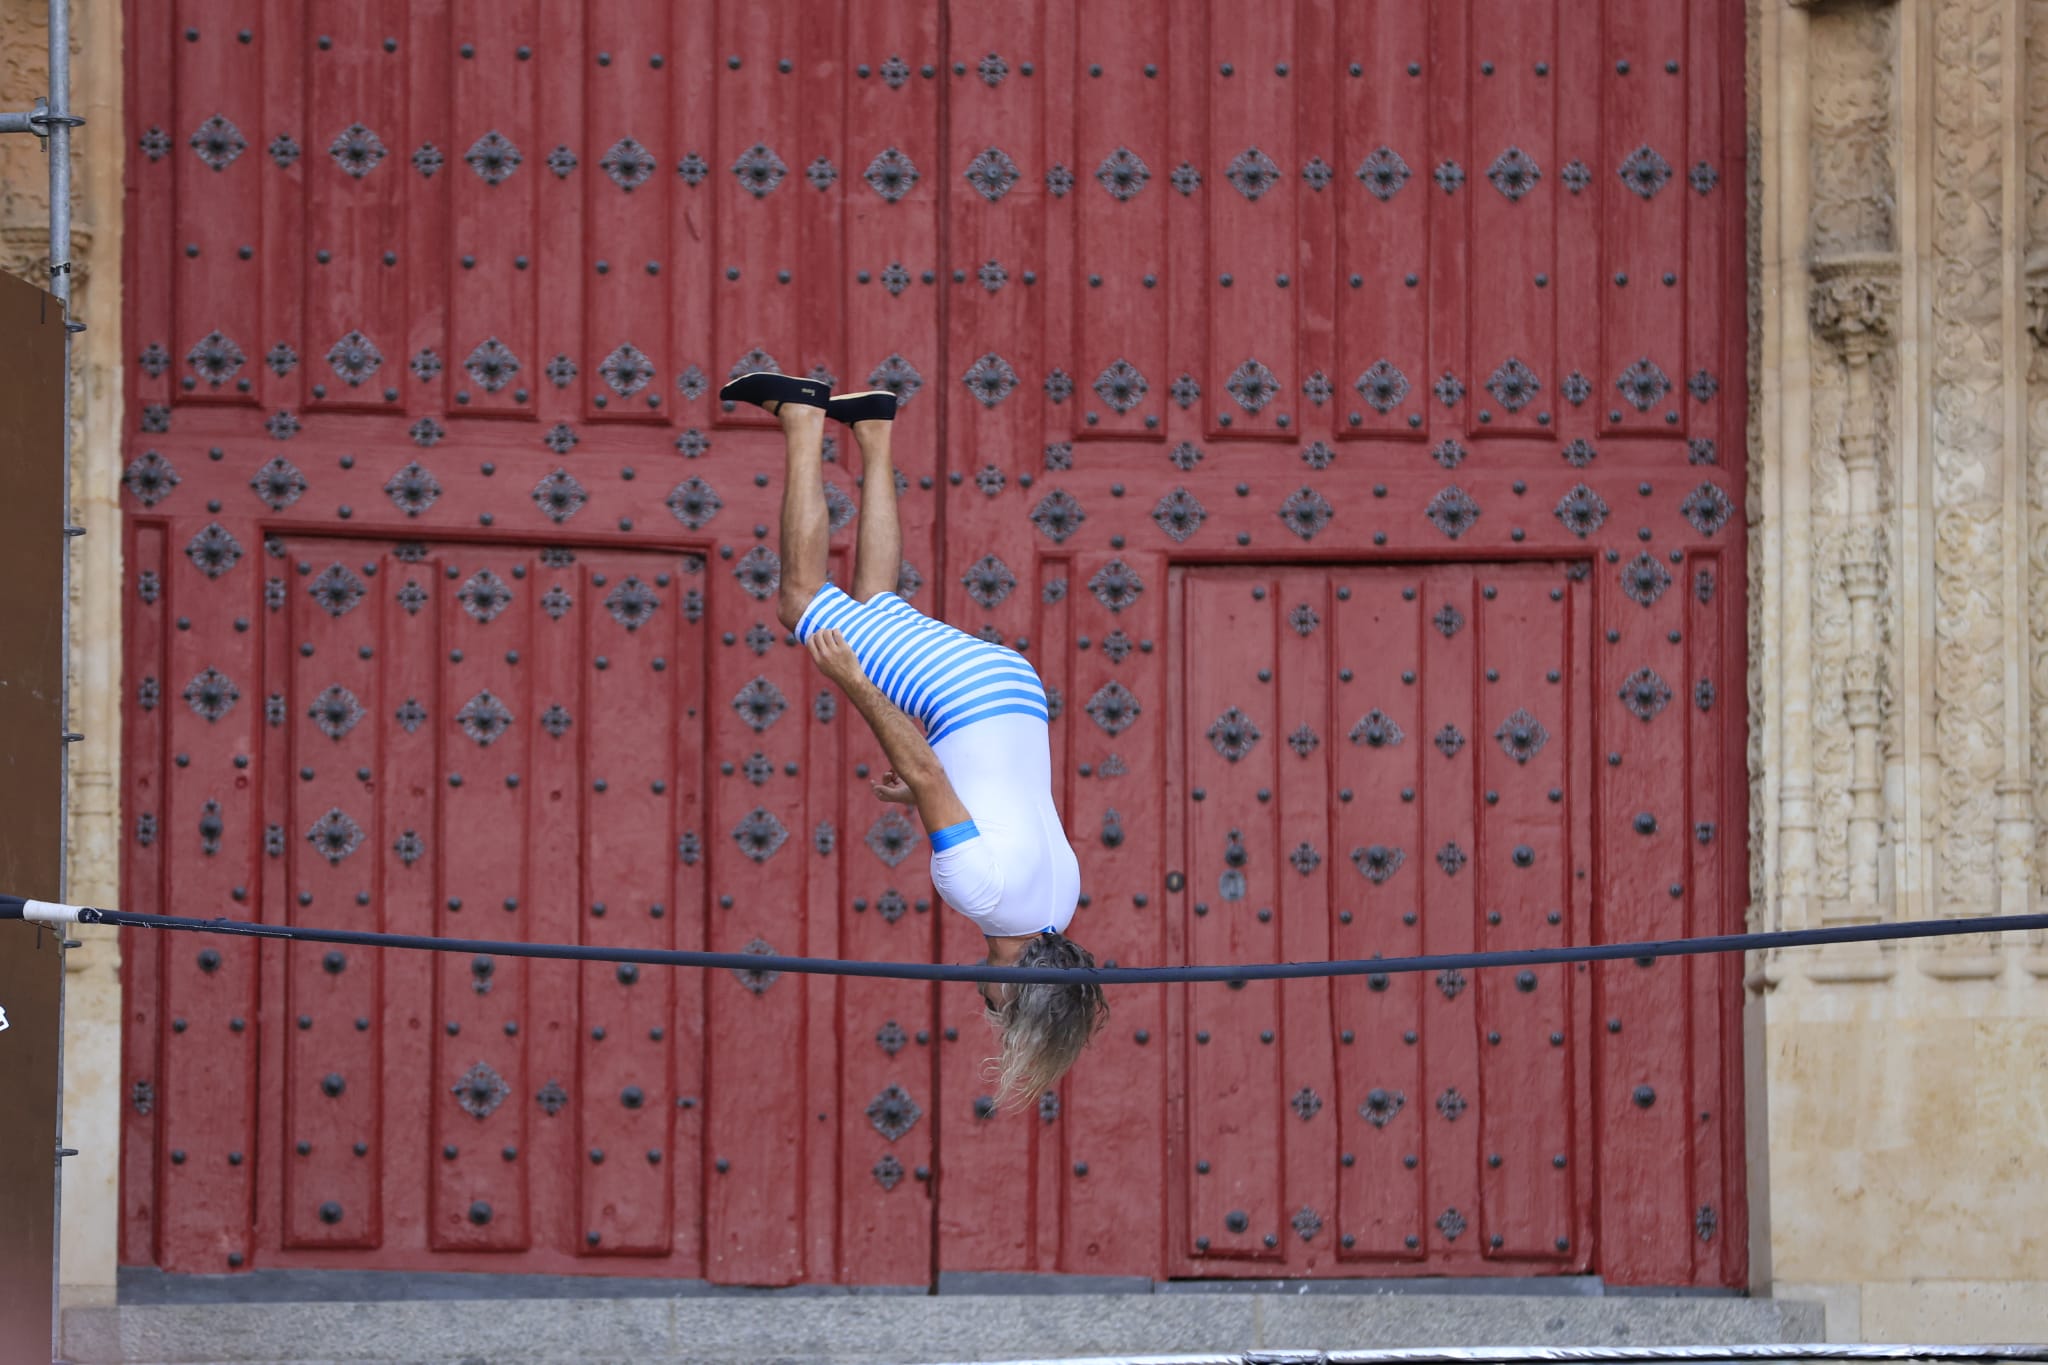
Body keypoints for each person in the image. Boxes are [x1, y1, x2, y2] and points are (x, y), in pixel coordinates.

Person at [720, 370, 1108, 1109]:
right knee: (800, 604)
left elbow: (1004, 803)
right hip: (962, 697)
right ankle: (801, 420)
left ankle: (872, 429)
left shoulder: (1059, 905)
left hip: (1013, 694)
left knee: (875, 604)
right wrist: (852, 681)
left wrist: (929, 787)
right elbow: (928, 772)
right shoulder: (981, 898)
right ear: (1016, 992)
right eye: (998, 1011)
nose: (985, 1003)